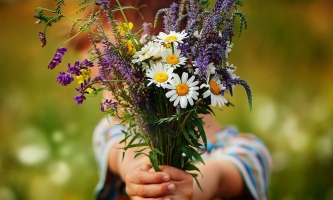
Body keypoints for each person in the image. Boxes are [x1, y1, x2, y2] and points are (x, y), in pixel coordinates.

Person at [86, 1, 273, 200]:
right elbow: (124, 154)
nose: (106, 91)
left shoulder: (247, 151)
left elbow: (220, 175)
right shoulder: (114, 132)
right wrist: (140, 174)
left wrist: (190, 187)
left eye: (116, 75)